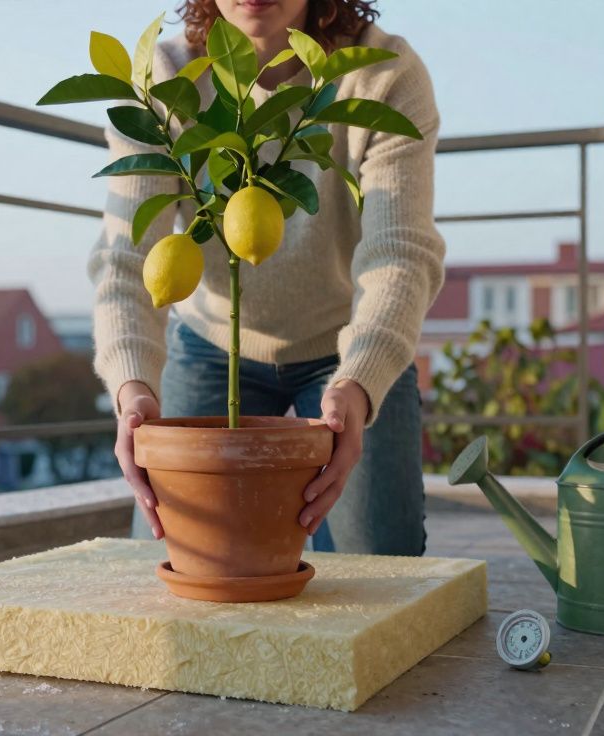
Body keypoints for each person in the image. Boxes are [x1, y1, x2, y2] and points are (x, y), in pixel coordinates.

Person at [88, 0, 444, 555]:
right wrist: (132, 384)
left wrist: (360, 380)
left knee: (381, 566)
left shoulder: (382, 74)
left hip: (349, 347)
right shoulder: (168, 81)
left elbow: (399, 252)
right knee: (176, 555)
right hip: (209, 342)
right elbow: (129, 257)